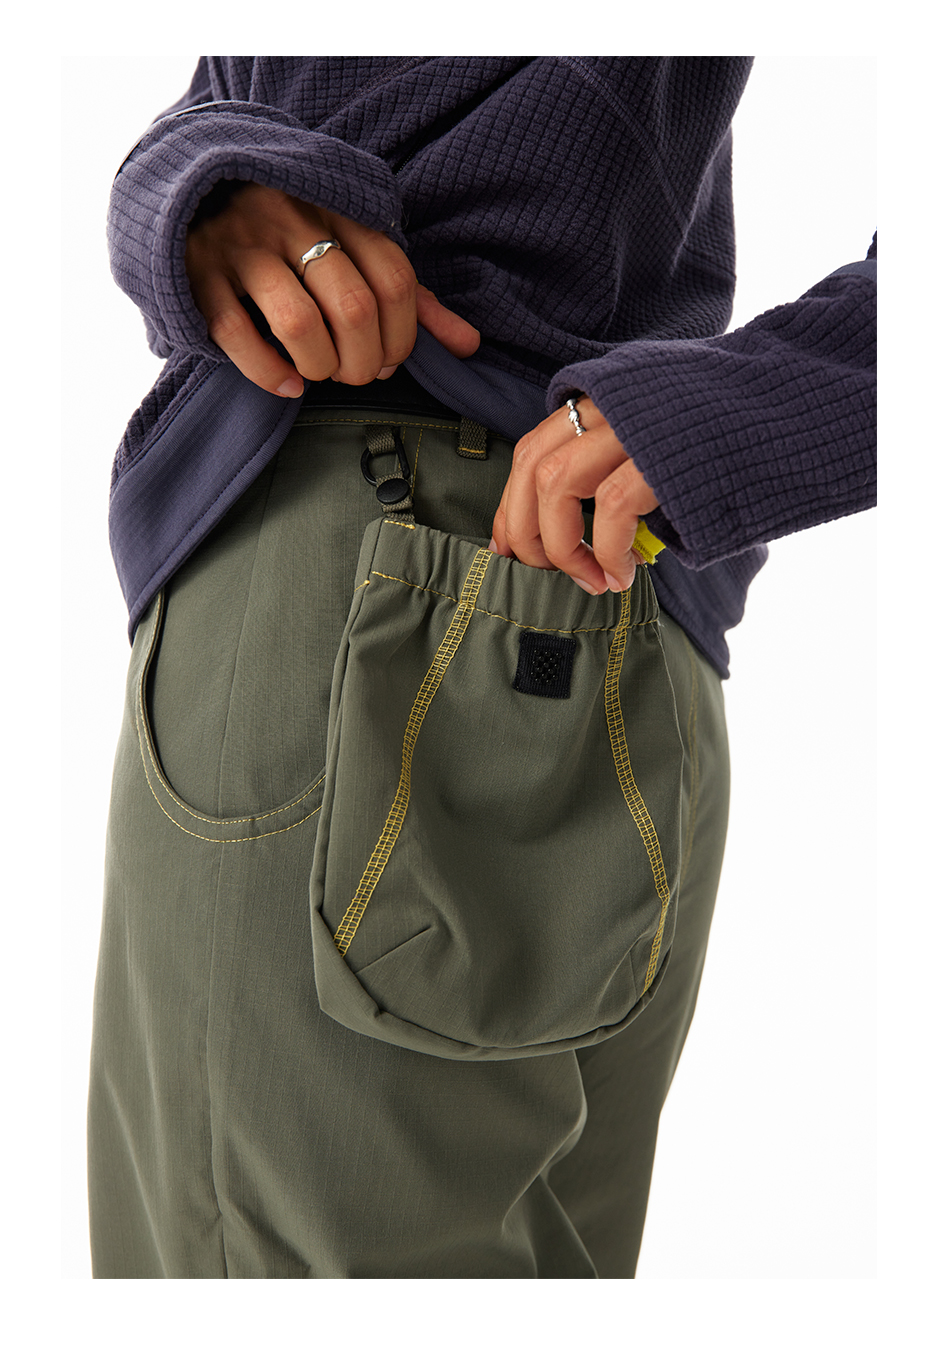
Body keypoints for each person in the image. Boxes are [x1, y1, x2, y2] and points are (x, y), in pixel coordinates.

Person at [88, 56, 876, 1278]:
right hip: (614, 604)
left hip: (381, 591)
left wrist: (771, 404)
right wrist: (192, 187)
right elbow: (238, 97)